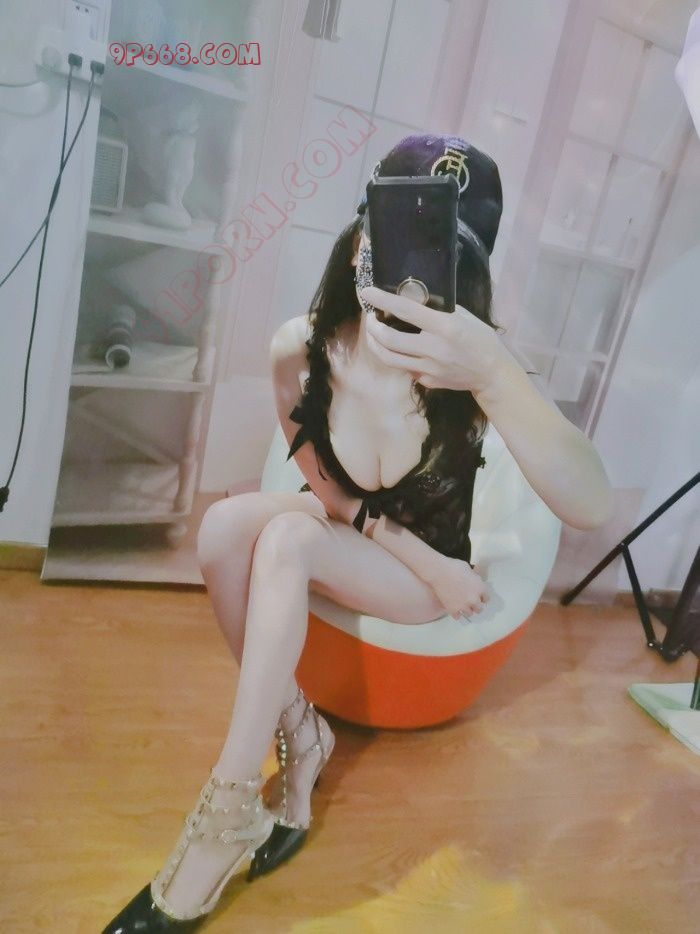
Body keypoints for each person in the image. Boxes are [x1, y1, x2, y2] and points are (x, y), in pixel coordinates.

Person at [103, 134, 613, 931]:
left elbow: (590, 502)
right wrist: (380, 531)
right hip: (368, 539)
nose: (404, 283)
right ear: (356, 242)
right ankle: (300, 733)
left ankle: (227, 809)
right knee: (223, 530)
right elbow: (323, 483)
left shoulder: (473, 377)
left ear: (465, 281)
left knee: (286, 542)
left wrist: (493, 372)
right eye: (389, 241)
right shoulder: (303, 347)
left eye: (436, 261)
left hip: (427, 577)